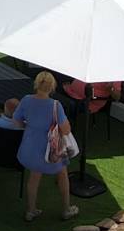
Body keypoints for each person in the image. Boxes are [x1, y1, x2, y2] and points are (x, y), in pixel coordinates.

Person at [14, 70, 78, 222]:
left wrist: (30, 128)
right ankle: (66, 209)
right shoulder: (56, 105)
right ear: (52, 87)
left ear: (36, 84)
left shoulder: (26, 100)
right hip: (52, 150)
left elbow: (16, 121)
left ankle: (30, 210)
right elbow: (66, 129)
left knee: (34, 177)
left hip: (30, 147)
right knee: (62, 175)